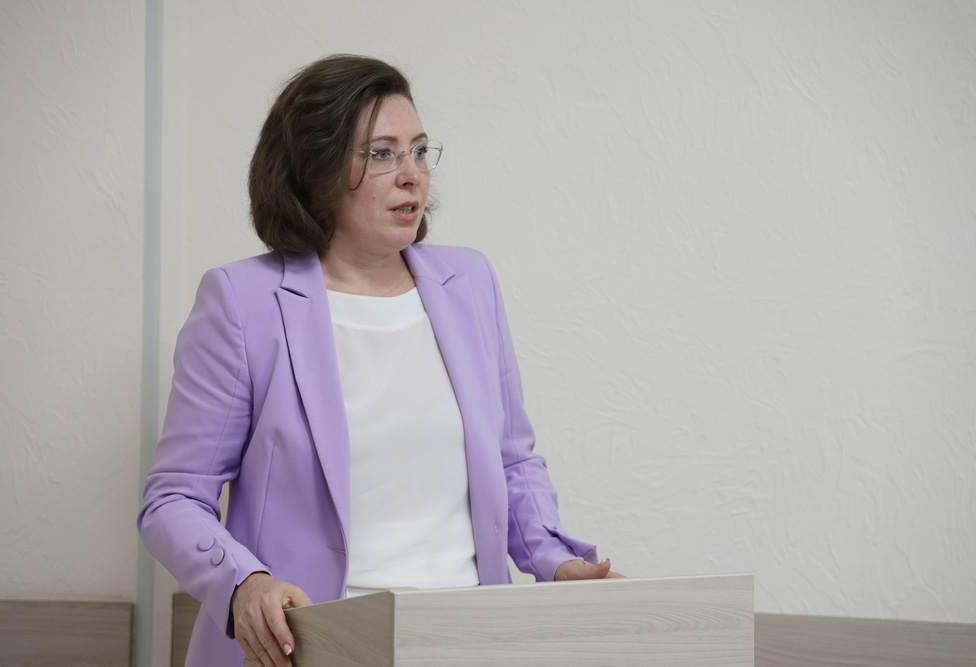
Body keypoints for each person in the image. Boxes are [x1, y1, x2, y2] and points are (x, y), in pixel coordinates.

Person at [138, 54, 623, 667]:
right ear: (315, 169)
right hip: (310, 648)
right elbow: (174, 498)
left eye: (419, 151)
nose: (412, 176)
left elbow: (512, 462)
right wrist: (244, 582)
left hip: (466, 645)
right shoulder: (242, 302)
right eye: (383, 154)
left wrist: (557, 561)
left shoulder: (469, 283)